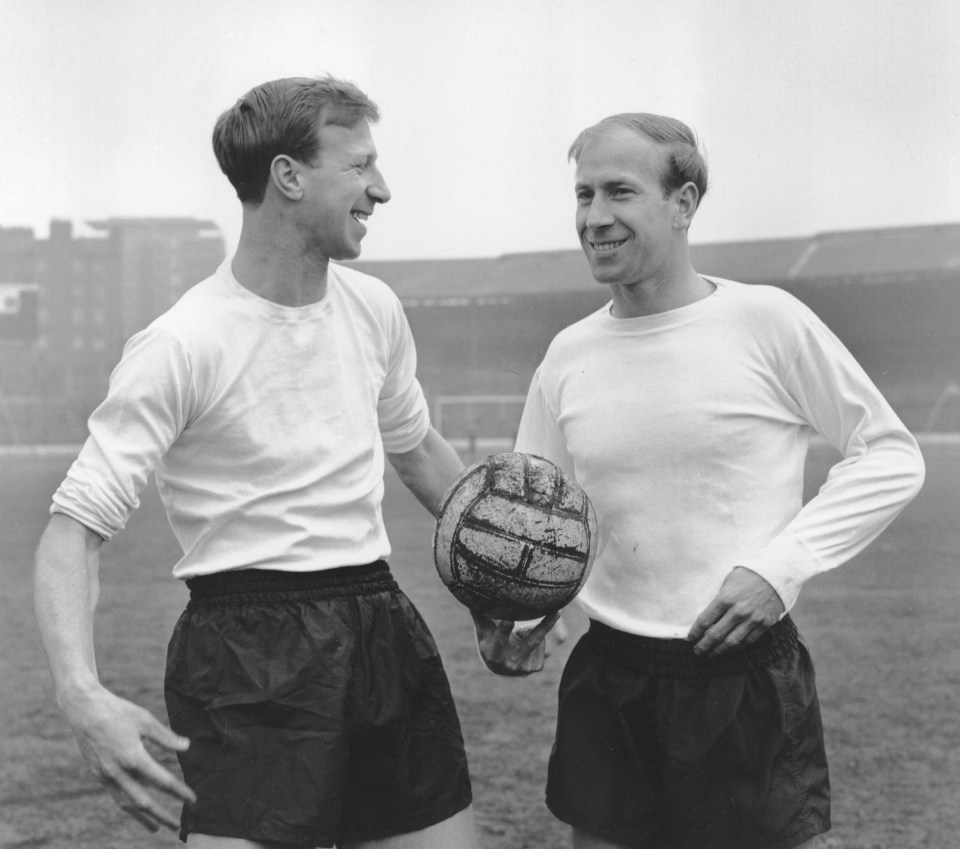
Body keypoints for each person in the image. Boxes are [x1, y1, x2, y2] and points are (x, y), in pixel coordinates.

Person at [33, 76, 478, 848]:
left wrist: (504, 587)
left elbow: (419, 453)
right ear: (289, 175)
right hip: (247, 653)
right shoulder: (182, 342)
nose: (382, 188)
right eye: (361, 165)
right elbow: (73, 530)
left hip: (382, 627)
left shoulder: (374, 309)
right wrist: (81, 693)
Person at [475, 113, 926, 849]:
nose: (594, 217)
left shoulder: (766, 321)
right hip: (611, 670)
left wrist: (778, 569)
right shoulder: (567, 354)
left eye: (620, 191)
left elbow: (890, 452)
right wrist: (523, 620)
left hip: (740, 673)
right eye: (583, 194)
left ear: (683, 203)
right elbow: (539, 511)